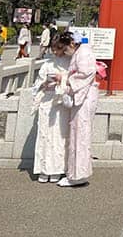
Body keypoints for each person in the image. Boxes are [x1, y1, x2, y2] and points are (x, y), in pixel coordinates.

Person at [58, 30, 98, 187]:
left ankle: (77, 175)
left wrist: (66, 80)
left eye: (65, 48)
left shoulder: (83, 53)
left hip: (85, 97)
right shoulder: (82, 51)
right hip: (83, 95)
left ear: (72, 44)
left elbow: (86, 73)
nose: (65, 52)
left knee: (80, 135)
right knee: (78, 134)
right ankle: (76, 172)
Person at [31, 39, 72, 183]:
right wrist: (44, 84)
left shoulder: (70, 62)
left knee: (59, 136)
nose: (55, 52)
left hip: (60, 103)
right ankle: (43, 169)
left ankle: (57, 169)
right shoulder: (47, 63)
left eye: (58, 49)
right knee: (44, 134)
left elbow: (74, 80)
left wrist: (62, 79)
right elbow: (37, 84)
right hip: (47, 101)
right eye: (53, 49)